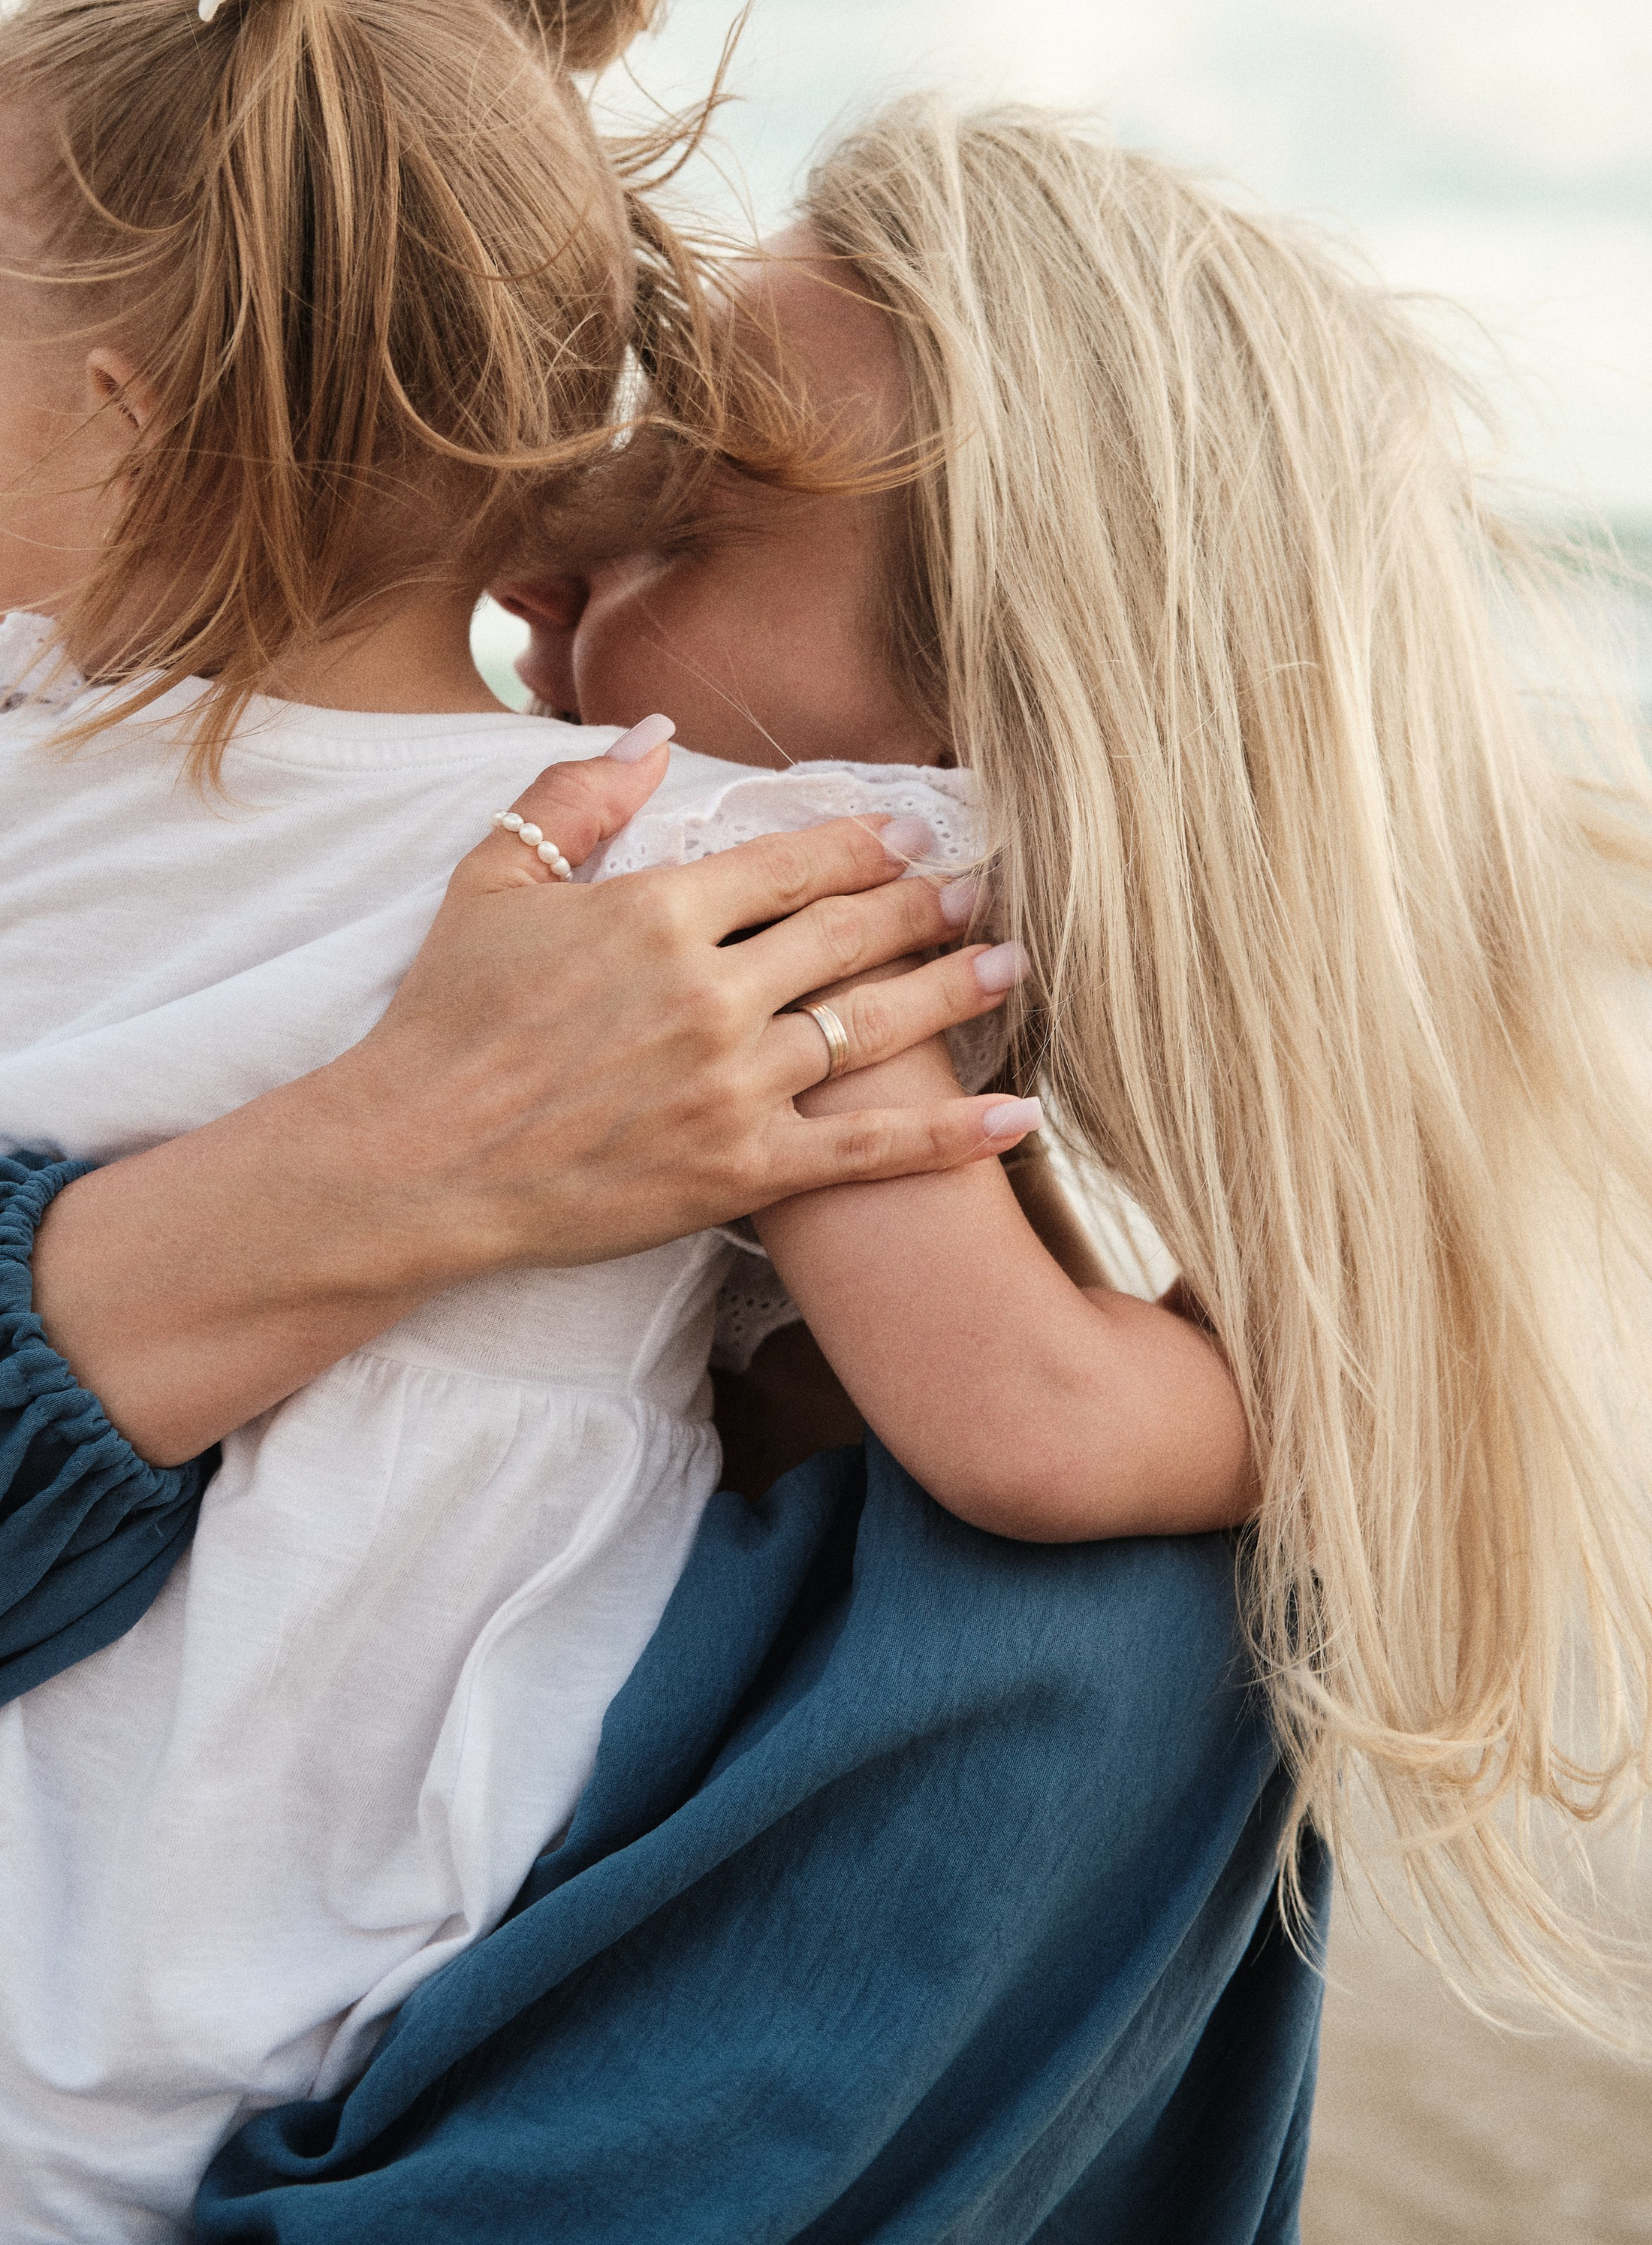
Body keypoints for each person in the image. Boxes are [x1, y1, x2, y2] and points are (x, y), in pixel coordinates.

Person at [0, 0, 1262, 2239]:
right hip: (247, 2070)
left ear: (119, 420)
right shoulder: (724, 881)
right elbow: (1031, 1433)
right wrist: (1333, 1418)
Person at [501, 98, 1652, 2033]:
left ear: (1029, 701)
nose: (526, 573)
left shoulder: (1040, 1651)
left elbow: (1032, 1424)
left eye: (668, 523)